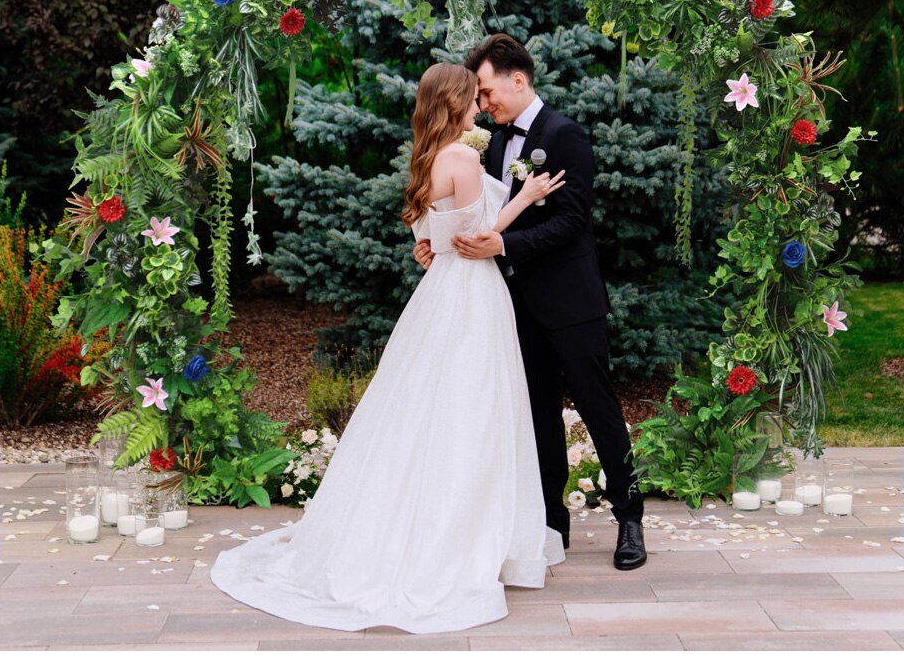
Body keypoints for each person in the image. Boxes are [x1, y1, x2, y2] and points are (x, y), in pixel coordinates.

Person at [210, 62, 567, 633]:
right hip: (471, 296)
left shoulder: (428, 158)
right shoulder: (466, 158)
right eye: (472, 98)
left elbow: (429, 236)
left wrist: (435, 246)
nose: (480, 105)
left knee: (429, 408)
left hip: (440, 292)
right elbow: (479, 236)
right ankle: (460, 538)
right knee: (472, 412)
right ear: (453, 104)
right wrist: (525, 196)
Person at [414, 33, 647, 570]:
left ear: (518, 80)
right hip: (511, 305)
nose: (485, 101)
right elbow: (474, 212)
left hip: (570, 303)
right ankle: (551, 525)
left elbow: (572, 221)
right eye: (479, 94)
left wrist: (505, 244)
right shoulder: (489, 143)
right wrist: (441, 242)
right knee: (536, 416)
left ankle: (629, 518)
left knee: (599, 409)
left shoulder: (566, 135)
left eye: (489, 90)